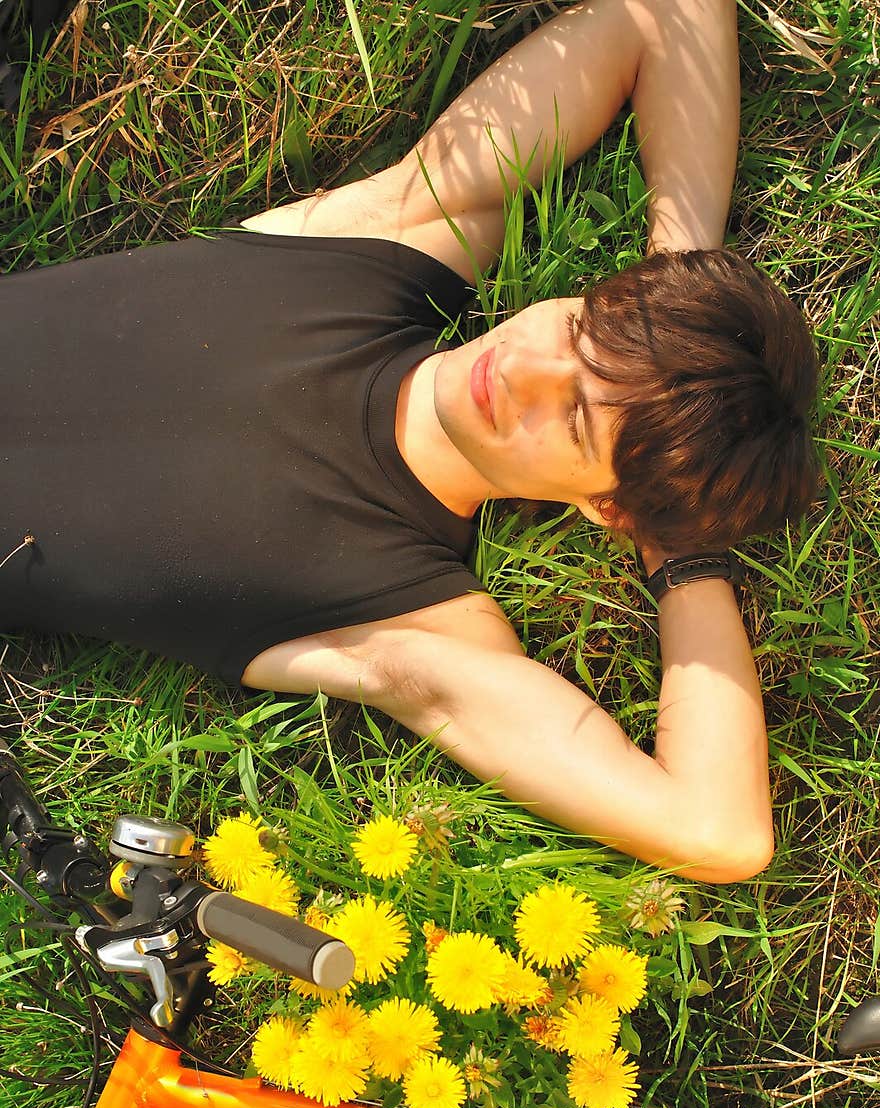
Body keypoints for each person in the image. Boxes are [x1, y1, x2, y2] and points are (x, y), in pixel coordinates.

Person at [0, 0, 820, 885]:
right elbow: (664, 12)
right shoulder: (390, 239)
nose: (524, 371)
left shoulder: (412, 617)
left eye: (578, 415)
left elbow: (720, 830)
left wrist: (685, 544)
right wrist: (671, 290)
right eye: (582, 331)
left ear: (605, 504)